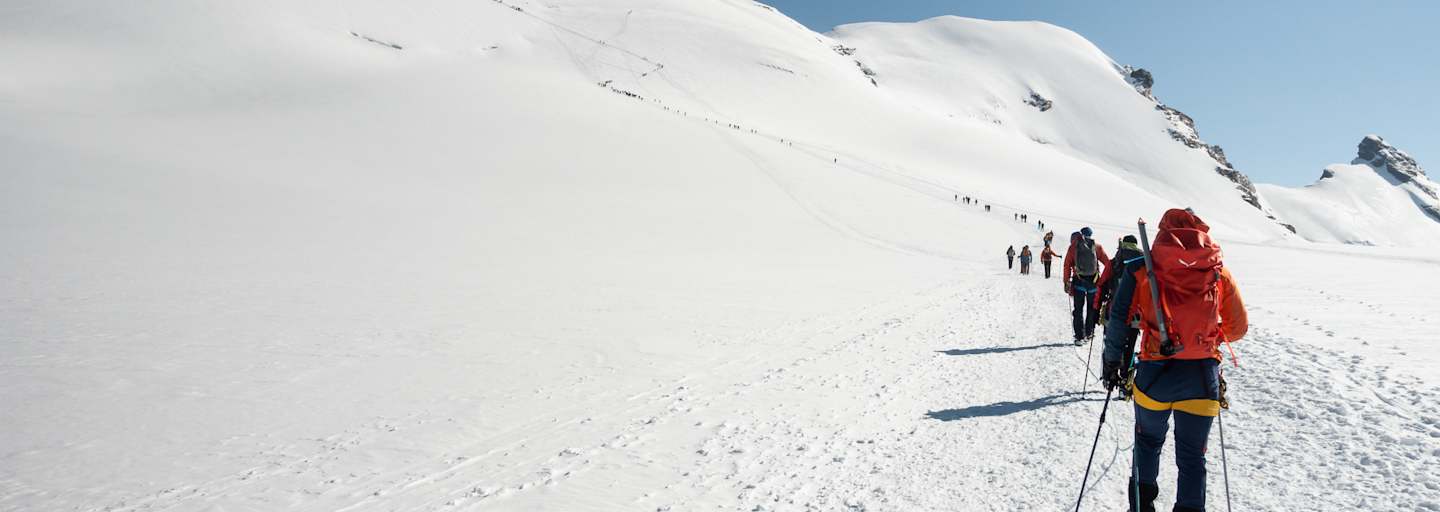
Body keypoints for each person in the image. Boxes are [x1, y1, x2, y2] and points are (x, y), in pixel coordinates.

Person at [1100, 208, 1247, 512]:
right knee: (1193, 456)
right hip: (1201, 377)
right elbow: (1238, 327)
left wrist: (1112, 363)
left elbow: (1118, 318)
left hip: (1155, 373)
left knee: (1148, 442)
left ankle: (1141, 507)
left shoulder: (1142, 268)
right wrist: (1209, 339)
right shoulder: (1217, 269)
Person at [1064, 227, 1110, 344]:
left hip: (1079, 282)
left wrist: (1066, 281)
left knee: (1078, 309)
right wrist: (1104, 280)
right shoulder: (1097, 247)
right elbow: (1108, 263)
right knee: (1091, 309)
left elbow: (1067, 265)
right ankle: (1089, 333)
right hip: (1094, 283)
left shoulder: (1073, 247)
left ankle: (1079, 336)